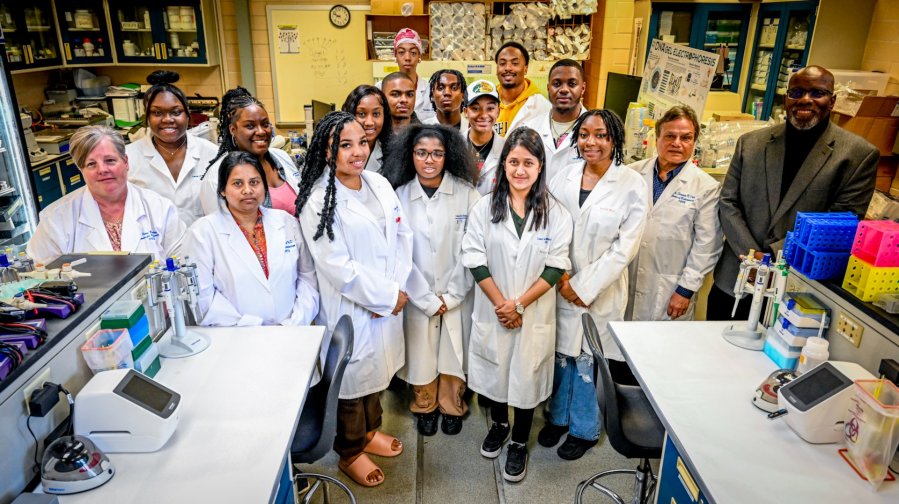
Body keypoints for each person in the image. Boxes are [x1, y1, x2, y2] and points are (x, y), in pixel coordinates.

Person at [295, 111, 413, 488]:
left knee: (377, 376)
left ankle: (370, 432)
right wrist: (384, 297)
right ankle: (349, 452)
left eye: (362, 142)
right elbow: (337, 267)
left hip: (387, 300)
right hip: (352, 307)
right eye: (345, 145)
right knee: (351, 382)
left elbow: (402, 236)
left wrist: (394, 291)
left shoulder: (378, 183)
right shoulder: (319, 199)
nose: (357, 151)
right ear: (327, 150)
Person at [708, 65, 879, 320]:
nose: (805, 100)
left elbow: (841, 222)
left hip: (795, 287)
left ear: (832, 101)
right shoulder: (751, 144)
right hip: (736, 278)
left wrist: (774, 255)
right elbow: (728, 202)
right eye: (796, 92)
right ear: (786, 98)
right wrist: (753, 257)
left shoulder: (856, 155)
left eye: (817, 93)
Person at [461, 127, 572, 482]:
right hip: (495, 310)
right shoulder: (484, 208)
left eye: (528, 162)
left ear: (540, 167)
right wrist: (501, 305)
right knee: (495, 372)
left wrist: (519, 305)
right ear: (503, 165)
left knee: (526, 376)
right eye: (513, 162)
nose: (520, 170)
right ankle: (499, 426)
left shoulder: (556, 213)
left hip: (533, 311)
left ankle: (520, 442)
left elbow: (556, 265)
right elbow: (474, 257)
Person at [540, 110, 647, 461]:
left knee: (588, 360)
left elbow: (625, 248)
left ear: (613, 139)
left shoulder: (631, 184)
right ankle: (556, 418)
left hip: (601, 292)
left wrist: (583, 287)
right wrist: (563, 278)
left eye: (600, 135)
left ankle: (584, 429)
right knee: (560, 358)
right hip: (561, 282)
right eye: (584, 134)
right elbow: (549, 229)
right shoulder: (563, 177)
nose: (591, 142)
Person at [382, 124, 480, 437]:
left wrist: (452, 295)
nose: (429, 160)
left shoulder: (467, 194)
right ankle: (424, 405)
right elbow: (397, 254)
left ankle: (453, 405)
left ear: (447, 156)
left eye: (437, 154)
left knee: (454, 350)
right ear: (410, 156)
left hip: (458, 291)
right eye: (422, 153)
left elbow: (474, 248)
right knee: (420, 352)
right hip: (416, 294)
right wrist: (424, 298)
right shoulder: (398, 197)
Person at [186, 151, 319, 327]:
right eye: (237, 183)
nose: (247, 190)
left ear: (264, 186)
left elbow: (307, 278)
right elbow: (203, 299)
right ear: (222, 190)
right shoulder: (202, 233)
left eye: (254, 182)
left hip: (291, 332)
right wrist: (254, 327)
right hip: (236, 337)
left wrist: (296, 321)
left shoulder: (286, 222)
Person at [27, 125, 185, 264]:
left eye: (110, 160)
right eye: (91, 164)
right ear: (81, 170)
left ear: (126, 162)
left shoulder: (160, 208)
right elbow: (39, 278)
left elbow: (183, 263)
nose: (102, 170)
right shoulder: (55, 219)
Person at [626, 105, 723, 321]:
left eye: (686, 137)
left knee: (661, 349)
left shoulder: (706, 187)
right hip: (626, 279)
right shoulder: (632, 174)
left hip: (670, 289)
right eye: (670, 136)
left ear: (694, 142)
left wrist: (685, 290)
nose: (677, 143)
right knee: (617, 347)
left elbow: (707, 245)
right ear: (657, 137)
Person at [126, 70, 219, 227]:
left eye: (176, 112)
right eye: (157, 113)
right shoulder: (128, 157)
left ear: (188, 114)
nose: (168, 119)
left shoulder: (212, 154)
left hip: (204, 245)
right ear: (147, 117)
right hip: (155, 246)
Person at [199, 87, 301, 215]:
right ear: (233, 129)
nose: (261, 131)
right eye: (250, 126)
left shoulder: (281, 157)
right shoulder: (216, 177)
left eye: (265, 124)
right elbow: (219, 229)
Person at [510, 59, 587, 182]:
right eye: (557, 84)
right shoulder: (530, 129)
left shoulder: (599, 133)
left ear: (583, 88)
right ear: (548, 88)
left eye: (572, 84)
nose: (564, 90)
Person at [494, 42, 549, 137]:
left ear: (525, 69)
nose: (508, 68)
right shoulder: (486, 100)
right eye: (502, 63)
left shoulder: (543, 107)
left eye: (515, 63)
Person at [464, 79, 505, 195]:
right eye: (475, 108)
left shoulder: (507, 149)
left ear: (498, 111)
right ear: (466, 112)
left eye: (490, 108)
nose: (483, 115)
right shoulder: (453, 146)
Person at [388, 28, 435, 123]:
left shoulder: (430, 91)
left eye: (413, 53)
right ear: (395, 56)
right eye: (401, 52)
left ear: (419, 56)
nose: (407, 58)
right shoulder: (382, 88)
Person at [342, 85, 393, 173]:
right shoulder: (337, 150)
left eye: (376, 114)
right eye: (362, 114)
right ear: (350, 114)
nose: (369, 122)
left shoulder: (392, 153)